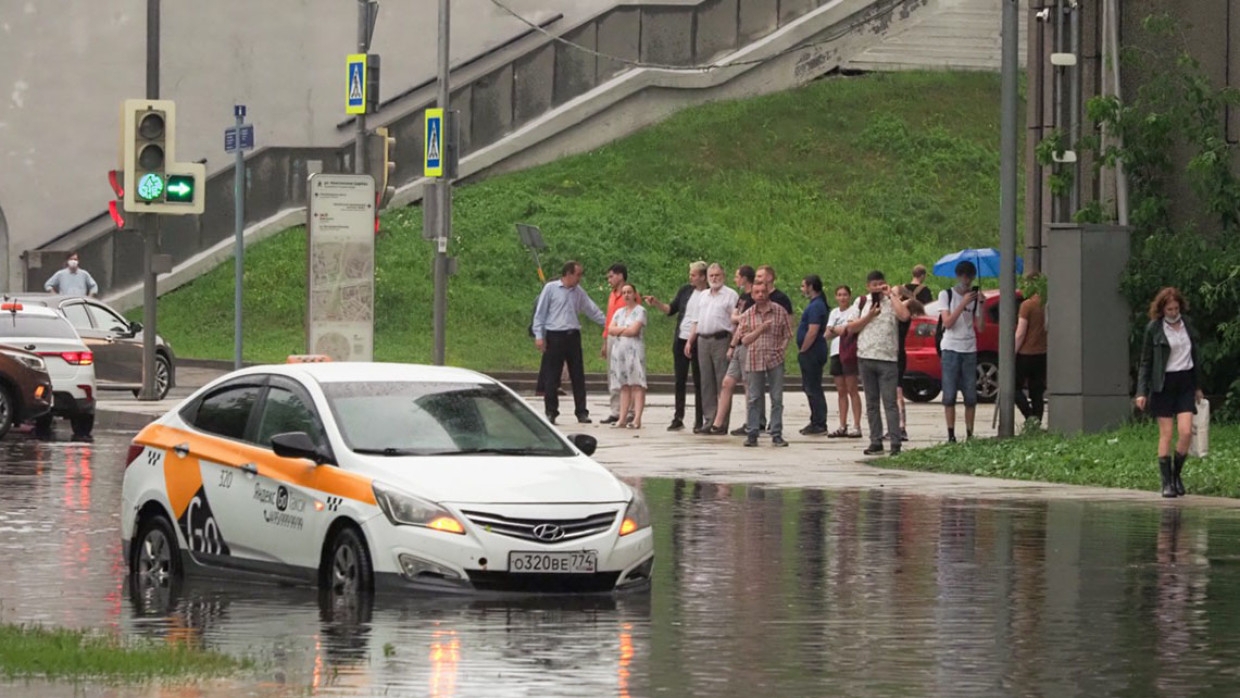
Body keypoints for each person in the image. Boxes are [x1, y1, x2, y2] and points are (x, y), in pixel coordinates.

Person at [1135, 287, 1204, 498]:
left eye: (1176, 308)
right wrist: (1141, 392)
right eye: (1169, 309)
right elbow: (1146, 362)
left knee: (1185, 432)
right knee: (1166, 434)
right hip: (1163, 383)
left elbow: (1196, 356)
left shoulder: (1187, 325)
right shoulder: (1154, 329)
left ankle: (1176, 475)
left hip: (1184, 381)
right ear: (1162, 309)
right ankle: (1166, 483)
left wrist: (1198, 386)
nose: (1173, 312)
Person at [531, 260, 607, 424]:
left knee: (578, 374)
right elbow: (540, 313)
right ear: (568, 274)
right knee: (552, 375)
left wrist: (608, 323)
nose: (579, 278)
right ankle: (551, 411)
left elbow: (591, 309)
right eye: (578, 274)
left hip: (572, 335)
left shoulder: (578, 292)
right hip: (554, 335)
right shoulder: (551, 289)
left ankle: (581, 412)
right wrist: (539, 335)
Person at [846, 270, 910, 456]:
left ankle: (895, 443)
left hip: (888, 359)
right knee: (871, 402)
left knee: (890, 402)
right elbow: (851, 327)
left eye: (880, 284)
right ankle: (875, 440)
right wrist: (869, 316)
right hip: (865, 356)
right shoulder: (862, 302)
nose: (877, 288)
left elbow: (904, 316)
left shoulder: (891, 301)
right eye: (873, 285)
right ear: (868, 286)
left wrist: (890, 294)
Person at [646, 262, 708, 431]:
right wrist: (657, 303)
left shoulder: (709, 293)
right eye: (690, 274)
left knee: (698, 380)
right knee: (679, 379)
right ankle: (678, 417)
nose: (691, 278)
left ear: (703, 276)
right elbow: (670, 309)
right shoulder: (685, 291)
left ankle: (699, 419)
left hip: (699, 339)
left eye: (694, 275)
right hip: (681, 338)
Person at [736, 280, 792, 447]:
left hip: (775, 359)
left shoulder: (779, 311)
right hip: (754, 358)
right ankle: (752, 432)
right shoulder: (748, 314)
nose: (760, 295)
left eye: (763, 291)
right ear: (752, 295)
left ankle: (776, 433)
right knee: (754, 397)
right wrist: (759, 329)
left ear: (768, 293)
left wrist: (782, 349)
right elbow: (744, 339)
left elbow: (788, 333)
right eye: (757, 292)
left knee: (776, 397)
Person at [686, 263, 739, 435]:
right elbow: (696, 320)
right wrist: (689, 341)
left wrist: (733, 343)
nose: (714, 279)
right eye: (711, 276)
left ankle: (721, 422)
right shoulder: (703, 295)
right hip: (703, 339)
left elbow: (736, 321)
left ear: (723, 276)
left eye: (717, 275)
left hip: (721, 338)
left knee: (721, 381)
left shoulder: (730, 295)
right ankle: (709, 419)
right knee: (706, 382)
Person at [937, 260, 985, 443]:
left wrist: (981, 305)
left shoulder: (975, 297)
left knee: (971, 395)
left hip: (969, 348)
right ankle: (951, 434)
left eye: (969, 276)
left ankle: (970, 433)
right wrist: (962, 303)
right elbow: (947, 323)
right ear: (958, 276)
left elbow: (980, 328)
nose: (966, 280)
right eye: (963, 275)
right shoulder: (946, 294)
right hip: (950, 348)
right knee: (949, 395)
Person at [708, 266, 757, 436]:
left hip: (746, 344)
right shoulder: (742, 297)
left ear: (745, 278)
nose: (735, 280)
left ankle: (751, 422)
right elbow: (735, 317)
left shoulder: (753, 298)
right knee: (727, 382)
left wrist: (732, 343)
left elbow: (745, 322)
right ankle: (717, 422)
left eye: (737, 277)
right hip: (737, 343)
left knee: (747, 384)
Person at [897, 266, 934, 441]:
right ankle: (900, 426)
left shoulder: (902, 289)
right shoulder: (925, 291)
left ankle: (897, 427)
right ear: (923, 276)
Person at [607, 283, 648, 429]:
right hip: (620, 351)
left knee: (637, 384)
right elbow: (610, 329)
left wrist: (619, 330)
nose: (626, 295)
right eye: (624, 292)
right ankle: (622, 418)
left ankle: (637, 418)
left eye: (629, 292)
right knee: (623, 385)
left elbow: (634, 331)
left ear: (634, 294)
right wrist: (624, 329)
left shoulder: (640, 311)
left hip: (634, 350)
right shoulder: (619, 312)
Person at [825, 285, 863, 439]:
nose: (842, 298)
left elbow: (848, 329)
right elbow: (828, 333)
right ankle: (842, 424)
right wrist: (837, 329)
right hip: (836, 351)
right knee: (841, 390)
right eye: (839, 295)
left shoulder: (853, 311)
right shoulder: (834, 312)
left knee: (852, 388)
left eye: (845, 295)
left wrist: (837, 329)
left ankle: (857, 425)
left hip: (849, 352)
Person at [601, 264, 634, 426]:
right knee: (613, 374)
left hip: (626, 337)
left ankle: (630, 411)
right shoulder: (612, 295)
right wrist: (605, 341)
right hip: (612, 336)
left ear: (620, 276)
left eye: (611, 276)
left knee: (627, 373)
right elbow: (608, 319)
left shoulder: (629, 294)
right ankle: (615, 410)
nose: (610, 279)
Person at [797, 274, 829, 435]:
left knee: (813, 387)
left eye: (804, 286)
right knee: (810, 386)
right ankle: (816, 419)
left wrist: (804, 349)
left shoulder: (816, 306)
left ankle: (819, 421)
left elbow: (813, 330)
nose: (802, 289)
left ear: (810, 286)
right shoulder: (815, 304)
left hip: (813, 351)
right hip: (813, 350)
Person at [1014, 276, 1048, 431]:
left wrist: (1013, 350)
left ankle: (1029, 416)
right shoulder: (1046, 305)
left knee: (1014, 387)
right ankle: (1037, 421)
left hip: (1025, 353)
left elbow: (1021, 332)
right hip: (1042, 353)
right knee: (1037, 391)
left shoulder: (1027, 305)